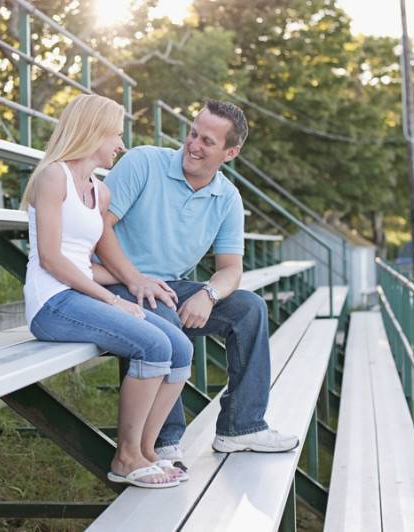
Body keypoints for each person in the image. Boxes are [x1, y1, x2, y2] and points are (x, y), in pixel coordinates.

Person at [95, 100, 299, 472]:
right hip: (114, 282)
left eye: (208, 141)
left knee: (249, 309)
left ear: (230, 152)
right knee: (162, 314)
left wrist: (209, 294)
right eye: (193, 134)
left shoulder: (227, 198)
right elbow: (99, 229)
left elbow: (230, 269)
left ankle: (241, 427)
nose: (193, 145)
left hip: (170, 287)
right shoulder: (143, 162)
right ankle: (164, 440)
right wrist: (135, 278)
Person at [20, 94, 193, 488]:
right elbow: (51, 258)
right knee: (154, 346)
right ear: (92, 131)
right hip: (53, 302)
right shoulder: (53, 176)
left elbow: (91, 256)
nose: (121, 144)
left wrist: (134, 282)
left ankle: (147, 451)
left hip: (80, 294)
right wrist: (114, 299)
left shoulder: (101, 191)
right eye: (115, 134)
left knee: (181, 348)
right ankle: (126, 457)